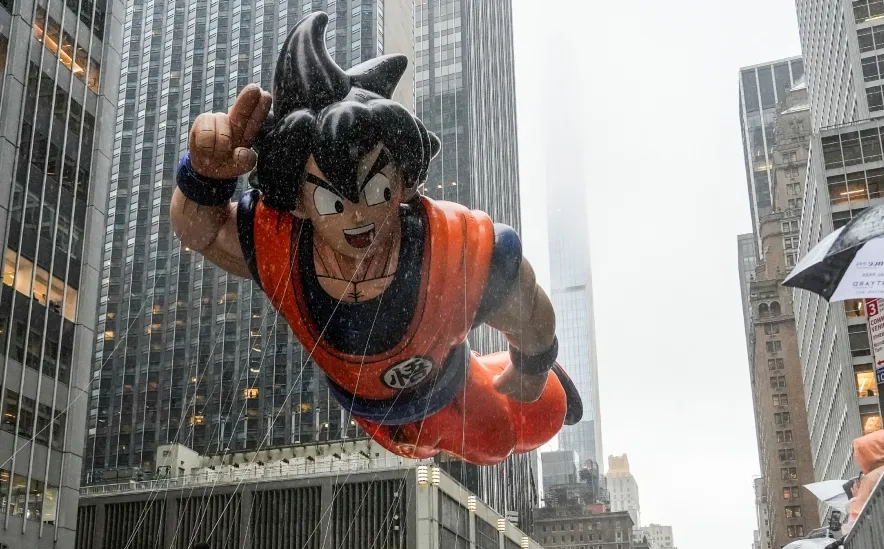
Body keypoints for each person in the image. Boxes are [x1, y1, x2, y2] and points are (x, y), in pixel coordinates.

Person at [169, 13, 582, 469]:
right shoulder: (277, 242)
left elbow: (526, 300)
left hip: (449, 381)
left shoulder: (451, 248)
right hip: (369, 409)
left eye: (376, 191)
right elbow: (200, 231)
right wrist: (203, 176)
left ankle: (515, 382)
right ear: (300, 202)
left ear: (404, 183)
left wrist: (533, 364)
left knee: (520, 427)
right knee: (440, 444)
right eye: (330, 199)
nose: (357, 216)